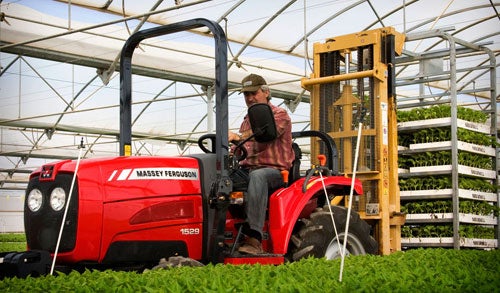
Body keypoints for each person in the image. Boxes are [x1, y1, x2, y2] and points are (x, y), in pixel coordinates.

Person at [228, 74, 295, 254]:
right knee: (219, 177)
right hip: (248, 169)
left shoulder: (280, 115)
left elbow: (264, 133)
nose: (249, 98)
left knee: (258, 176)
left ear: (266, 92)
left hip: (275, 173)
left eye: (253, 93)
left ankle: (254, 238)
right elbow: (242, 149)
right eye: (246, 95)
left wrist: (237, 137)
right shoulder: (245, 121)